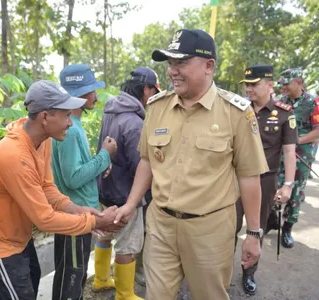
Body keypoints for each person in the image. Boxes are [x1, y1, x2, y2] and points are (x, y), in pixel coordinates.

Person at [113, 29, 270, 300]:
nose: (173, 71)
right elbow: (148, 161)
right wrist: (130, 204)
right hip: (161, 225)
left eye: (181, 62)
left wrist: (253, 234)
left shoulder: (236, 112)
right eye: (170, 63)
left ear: (209, 66)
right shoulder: (156, 107)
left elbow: (248, 176)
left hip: (210, 230)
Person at [0, 80, 124, 300]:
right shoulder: (14, 156)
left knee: (31, 283)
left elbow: (47, 187)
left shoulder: (42, 141)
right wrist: (96, 222)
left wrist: (76, 209)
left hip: (18, 235)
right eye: (66, 116)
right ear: (44, 117)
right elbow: (44, 219)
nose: (70, 123)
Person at [50, 64, 117, 300]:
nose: (96, 95)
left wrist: (100, 164)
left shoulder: (70, 124)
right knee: (73, 275)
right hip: (75, 214)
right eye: (92, 90)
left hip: (73, 211)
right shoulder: (71, 130)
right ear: (81, 95)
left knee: (68, 271)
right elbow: (73, 177)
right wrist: (105, 154)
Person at [95, 67, 160, 299]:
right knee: (128, 245)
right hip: (125, 194)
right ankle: (125, 294)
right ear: (146, 89)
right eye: (154, 90)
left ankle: (101, 279)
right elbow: (139, 166)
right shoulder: (134, 122)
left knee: (104, 234)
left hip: (105, 187)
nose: (154, 96)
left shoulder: (110, 111)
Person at [235, 65, 297, 295]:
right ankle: (219, 271)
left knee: (256, 230)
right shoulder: (239, 109)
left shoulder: (284, 113)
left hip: (264, 181)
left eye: (254, 84)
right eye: (247, 84)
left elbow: (290, 152)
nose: (248, 88)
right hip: (234, 178)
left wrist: (288, 185)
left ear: (269, 85)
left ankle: (249, 272)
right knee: (228, 225)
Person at [272, 68, 319, 248]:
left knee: (295, 191)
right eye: (281, 85)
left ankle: (287, 228)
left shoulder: (313, 103)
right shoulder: (279, 102)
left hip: (301, 155)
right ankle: (272, 219)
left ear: (299, 83)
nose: (282, 88)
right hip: (279, 154)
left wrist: (295, 142)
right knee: (273, 186)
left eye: (286, 84)